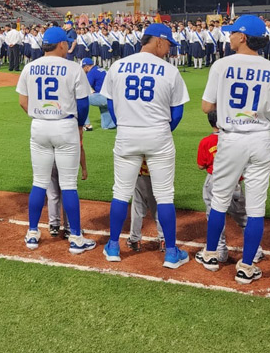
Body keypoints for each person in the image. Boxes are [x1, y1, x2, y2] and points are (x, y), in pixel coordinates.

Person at [101, 23, 190, 269]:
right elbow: (178, 112)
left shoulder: (118, 66)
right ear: (158, 41)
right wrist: (161, 131)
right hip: (158, 134)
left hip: (127, 133)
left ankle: (113, 246)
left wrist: (125, 125)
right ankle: (171, 253)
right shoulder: (169, 70)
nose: (169, 49)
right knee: (165, 195)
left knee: (120, 192)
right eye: (168, 44)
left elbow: (110, 104)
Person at [200, 15, 270, 284]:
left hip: (231, 139)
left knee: (219, 199)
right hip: (261, 139)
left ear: (243, 37)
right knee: (255, 207)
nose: (228, 37)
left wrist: (230, 110)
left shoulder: (222, 64)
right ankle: (247, 267)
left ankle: (210, 255)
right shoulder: (268, 67)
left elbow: (207, 107)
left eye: (232, 33)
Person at [16, 26, 95, 254]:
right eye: (67, 43)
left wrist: (41, 114)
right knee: (68, 184)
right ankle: (76, 239)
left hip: (39, 126)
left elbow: (23, 101)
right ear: (61, 44)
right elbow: (82, 104)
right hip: (65, 125)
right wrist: (79, 127)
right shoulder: (73, 68)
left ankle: (32, 233)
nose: (68, 46)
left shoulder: (29, 67)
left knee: (39, 182)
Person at [194, 110, 264, 266]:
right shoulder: (237, 140)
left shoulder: (206, 142)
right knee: (244, 218)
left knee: (214, 214)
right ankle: (256, 252)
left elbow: (200, 165)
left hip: (215, 181)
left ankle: (219, 251)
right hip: (236, 183)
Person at [125, 161, 165, 252]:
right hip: (158, 175)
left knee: (137, 208)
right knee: (159, 208)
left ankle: (135, 240)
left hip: (141, 174)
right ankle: (164, 240)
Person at [81, 58, 115, 130]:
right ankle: (112, 124)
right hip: (111, 97)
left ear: (86, 67)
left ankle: (87, 125)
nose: (82, 70)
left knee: (81, 99)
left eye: (83, 67)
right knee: (106, 125)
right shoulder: (101, 69)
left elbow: (84, 87)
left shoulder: (91, 72)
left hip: (103, 97)